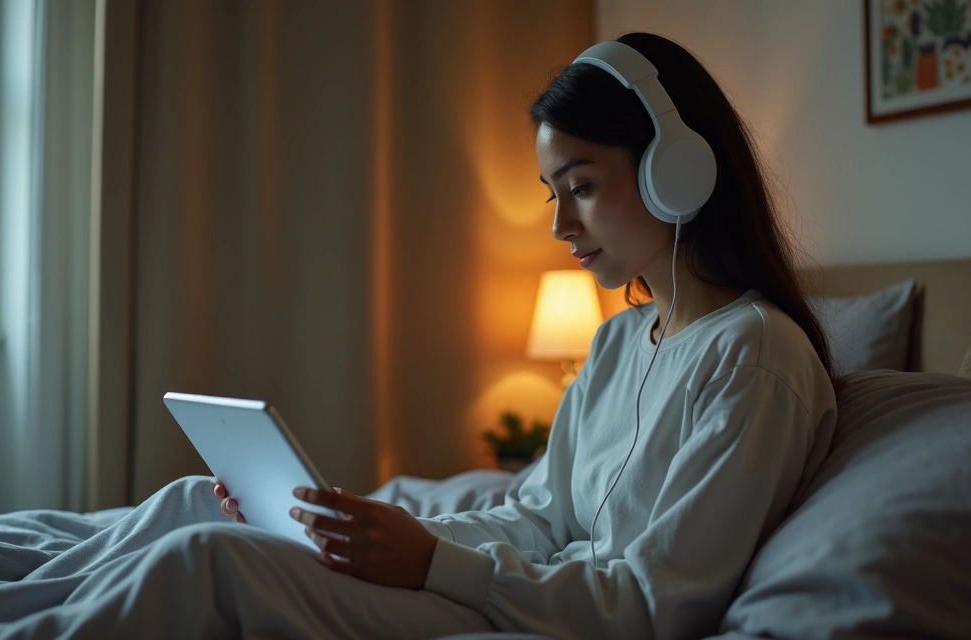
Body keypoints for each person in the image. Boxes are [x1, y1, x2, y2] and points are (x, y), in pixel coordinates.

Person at [208, 31, 838, 639]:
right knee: (196, 509)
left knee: (212, 562)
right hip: (515, 591)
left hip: (545, 612)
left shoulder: (755, 357)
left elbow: (654, 605)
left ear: (676, 171)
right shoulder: (617, 342)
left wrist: (431, 564)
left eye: (582, 187)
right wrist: (385, 532)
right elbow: (538, 518)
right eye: (553, 196)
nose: (561, 225)